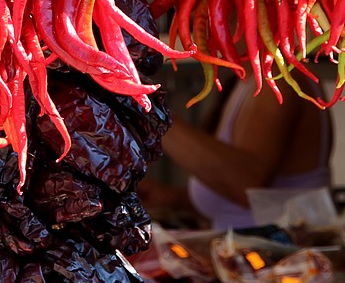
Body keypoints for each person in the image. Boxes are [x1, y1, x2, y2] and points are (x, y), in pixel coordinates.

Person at [141, 73, 333, 231]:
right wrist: (175, 199)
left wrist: (144, 106)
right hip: (256, 267)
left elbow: (246, 186)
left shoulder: (278, 80)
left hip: (288, 269)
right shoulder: (245, 82)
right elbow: (253, 207)